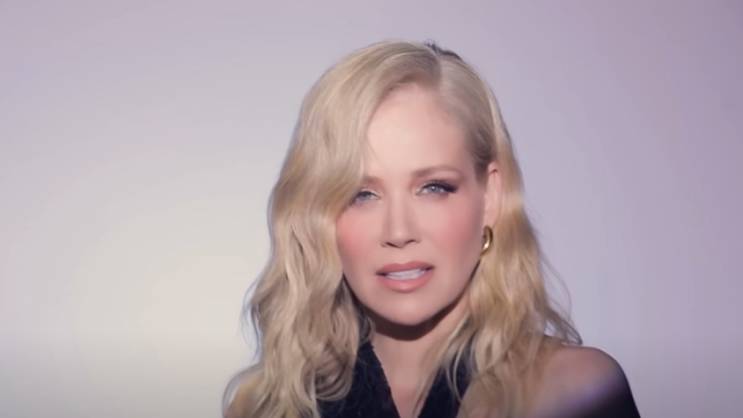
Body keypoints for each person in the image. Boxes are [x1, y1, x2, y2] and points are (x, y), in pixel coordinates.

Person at [224, 40, 640, 418]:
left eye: (433, 188)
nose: (398, 231)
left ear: (490, 196)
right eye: (361, 194)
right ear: (320, 217)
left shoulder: (574, 393)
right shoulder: (262, 406)